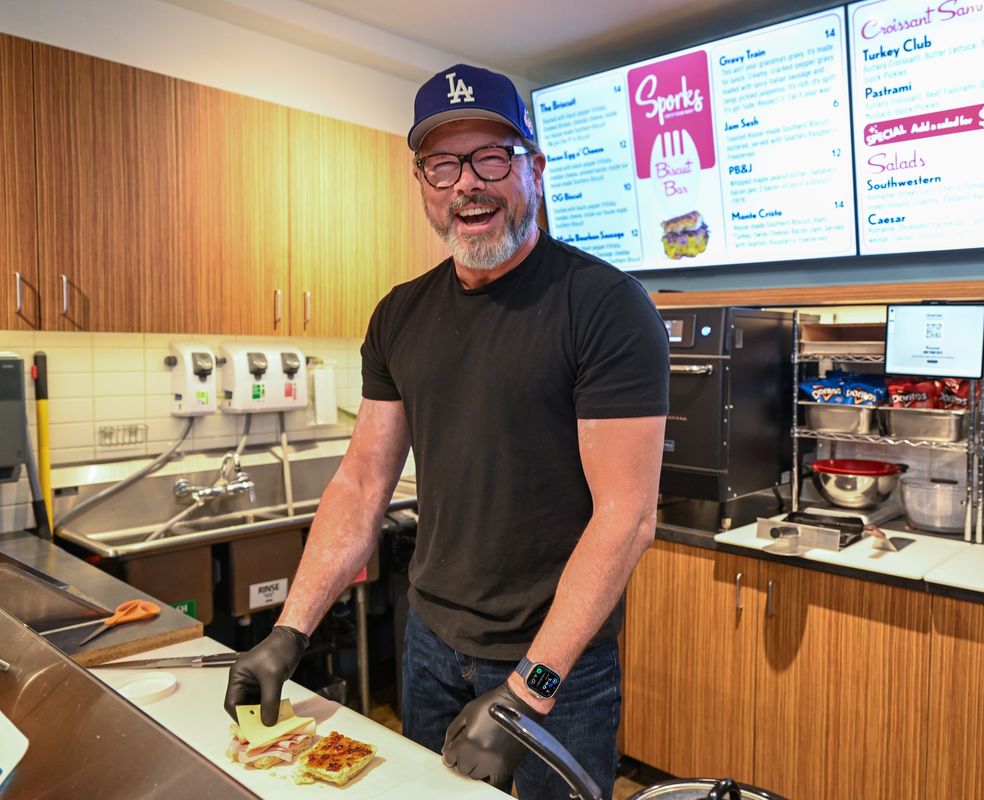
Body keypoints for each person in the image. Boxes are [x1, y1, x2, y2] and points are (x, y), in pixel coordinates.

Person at [223, 63, 669, 799]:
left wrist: (532, 688)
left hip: (555, 661)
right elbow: (363, 480)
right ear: (423, 183)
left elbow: (628, 516)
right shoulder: (399, 315)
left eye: (491, 157)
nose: (467, 183)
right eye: (443, 164)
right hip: (429, 645)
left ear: (534, 168)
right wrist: (288, 631)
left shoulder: (605, 306)